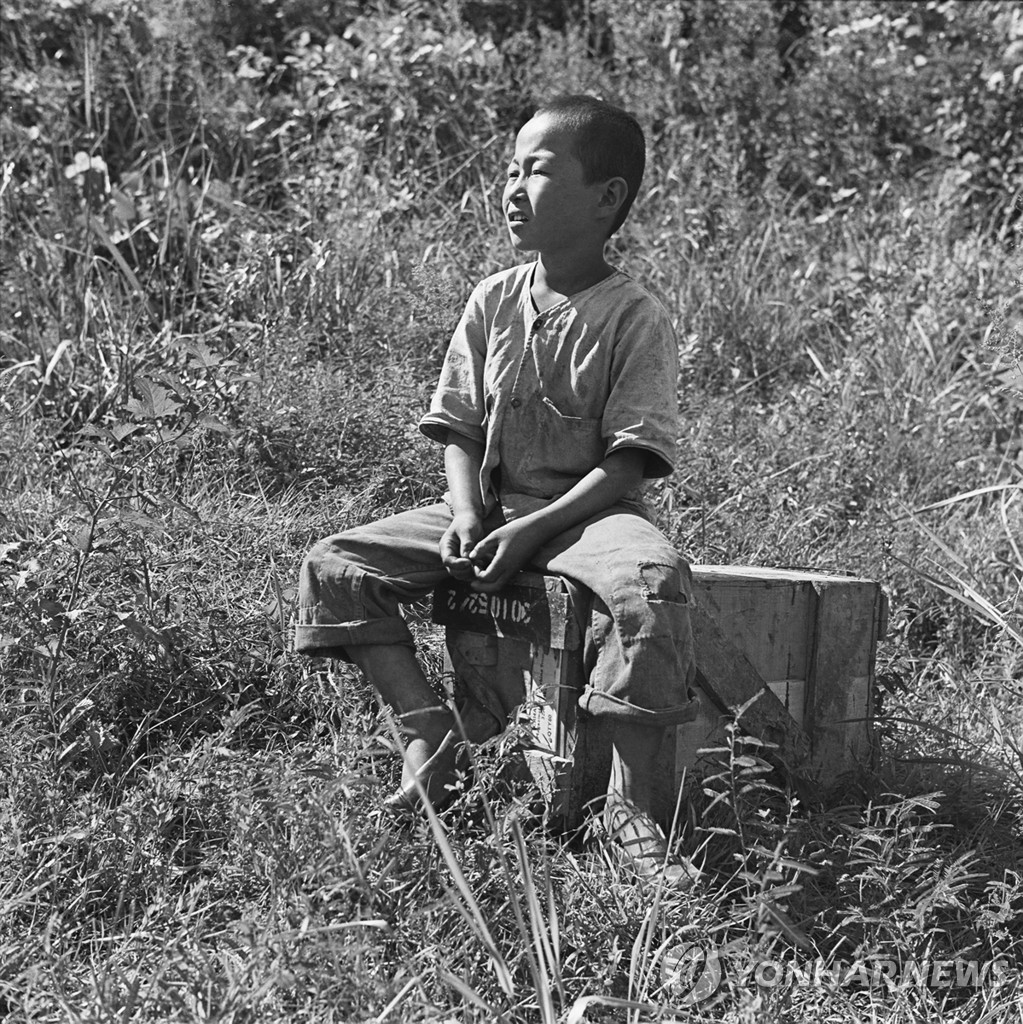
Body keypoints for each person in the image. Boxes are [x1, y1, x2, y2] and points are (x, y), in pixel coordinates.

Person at [296, 94, 700, 886]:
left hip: (591, 516)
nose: (512, 187)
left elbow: (630, 461)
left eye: (538, 172)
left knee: (650, 589)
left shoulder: (632, 315)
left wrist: (531, 530)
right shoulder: (492, 298)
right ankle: (430, 741)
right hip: (487, 508)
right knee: (336, 565)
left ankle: (630, 809)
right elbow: (457, 426)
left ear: (606, 199)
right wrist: (472, 512)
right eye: (509, 171)